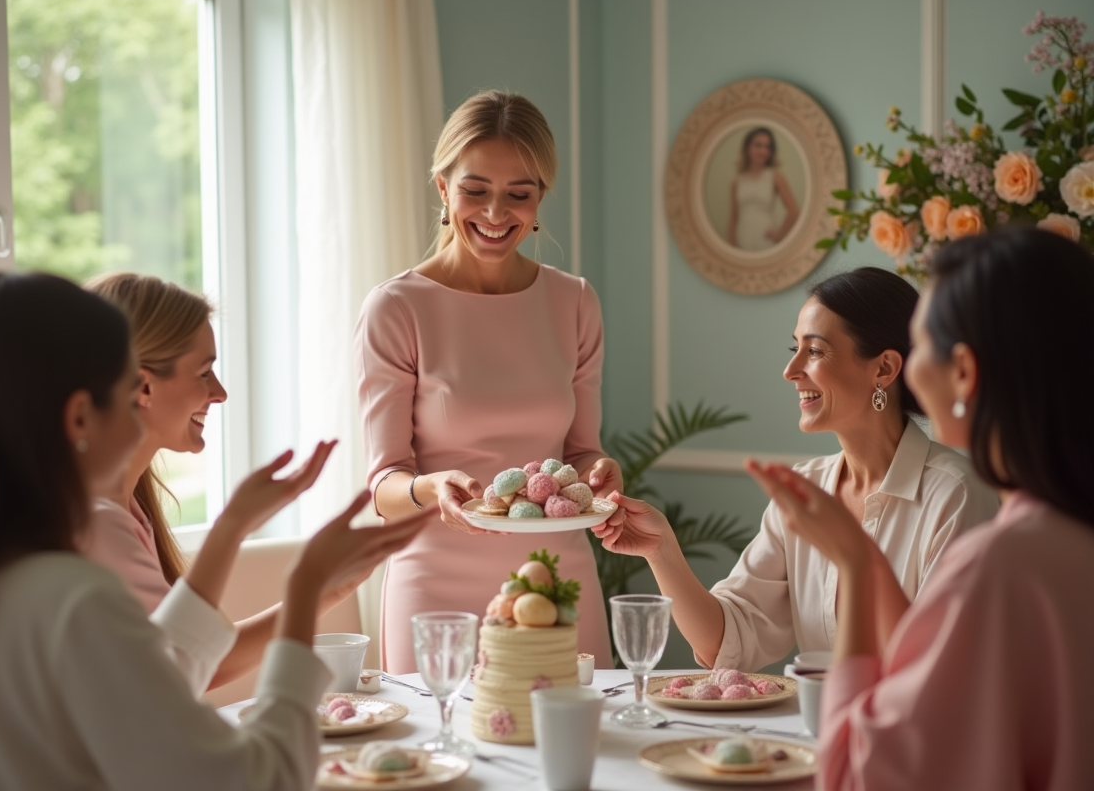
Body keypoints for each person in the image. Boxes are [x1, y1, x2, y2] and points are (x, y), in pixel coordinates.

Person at [0, 272, 431, 789]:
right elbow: (249, 780)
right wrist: (302, 592)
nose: (137, 411)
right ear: (81, 416)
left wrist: (246, 541)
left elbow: (145, 680)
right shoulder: (70, 597)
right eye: (128, 389)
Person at [746, 228, 1094, 789]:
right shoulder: (1068, 536)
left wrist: (856, 569)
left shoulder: (997, 561)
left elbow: (855, 773)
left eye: (921, 341)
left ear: (963, 372)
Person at [593, 266, 999, 671]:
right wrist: (661, 549)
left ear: (884, 369)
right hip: (818, 728)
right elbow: (729, 641)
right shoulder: (805, 491)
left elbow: (937, 668)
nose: (790, 371)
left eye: (816, 351)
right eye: (795, 349)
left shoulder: (955, 495)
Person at [355, 90, 619, 672]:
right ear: (443, 188)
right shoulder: (396, 307)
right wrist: (432, 488)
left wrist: (601, 472)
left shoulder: (574, 302)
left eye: (518, 195)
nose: (496, 214)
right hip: (435, 586)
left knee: (580, 752)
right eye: (476, 190)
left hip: (558, 579)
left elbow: (582, 452)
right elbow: (383, 485)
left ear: (539, 198)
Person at [83, 273, 363, 692]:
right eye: (204, 374)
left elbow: (194, 662)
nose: (220, 393)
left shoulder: (127, 506)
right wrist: (234, 526)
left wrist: (329, 590)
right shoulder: (100, 525)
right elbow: (170, 683)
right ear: (143, 385)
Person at [727, 126, 800, 251]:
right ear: (747, 147)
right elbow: (733, 217)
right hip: (741, 241)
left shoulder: (775, 177)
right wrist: (729, 248)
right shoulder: (737, 181)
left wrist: (780, 235)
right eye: (758, 145)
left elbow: (794, 211)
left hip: (766, 241)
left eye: (768, 147)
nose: (763, 151)